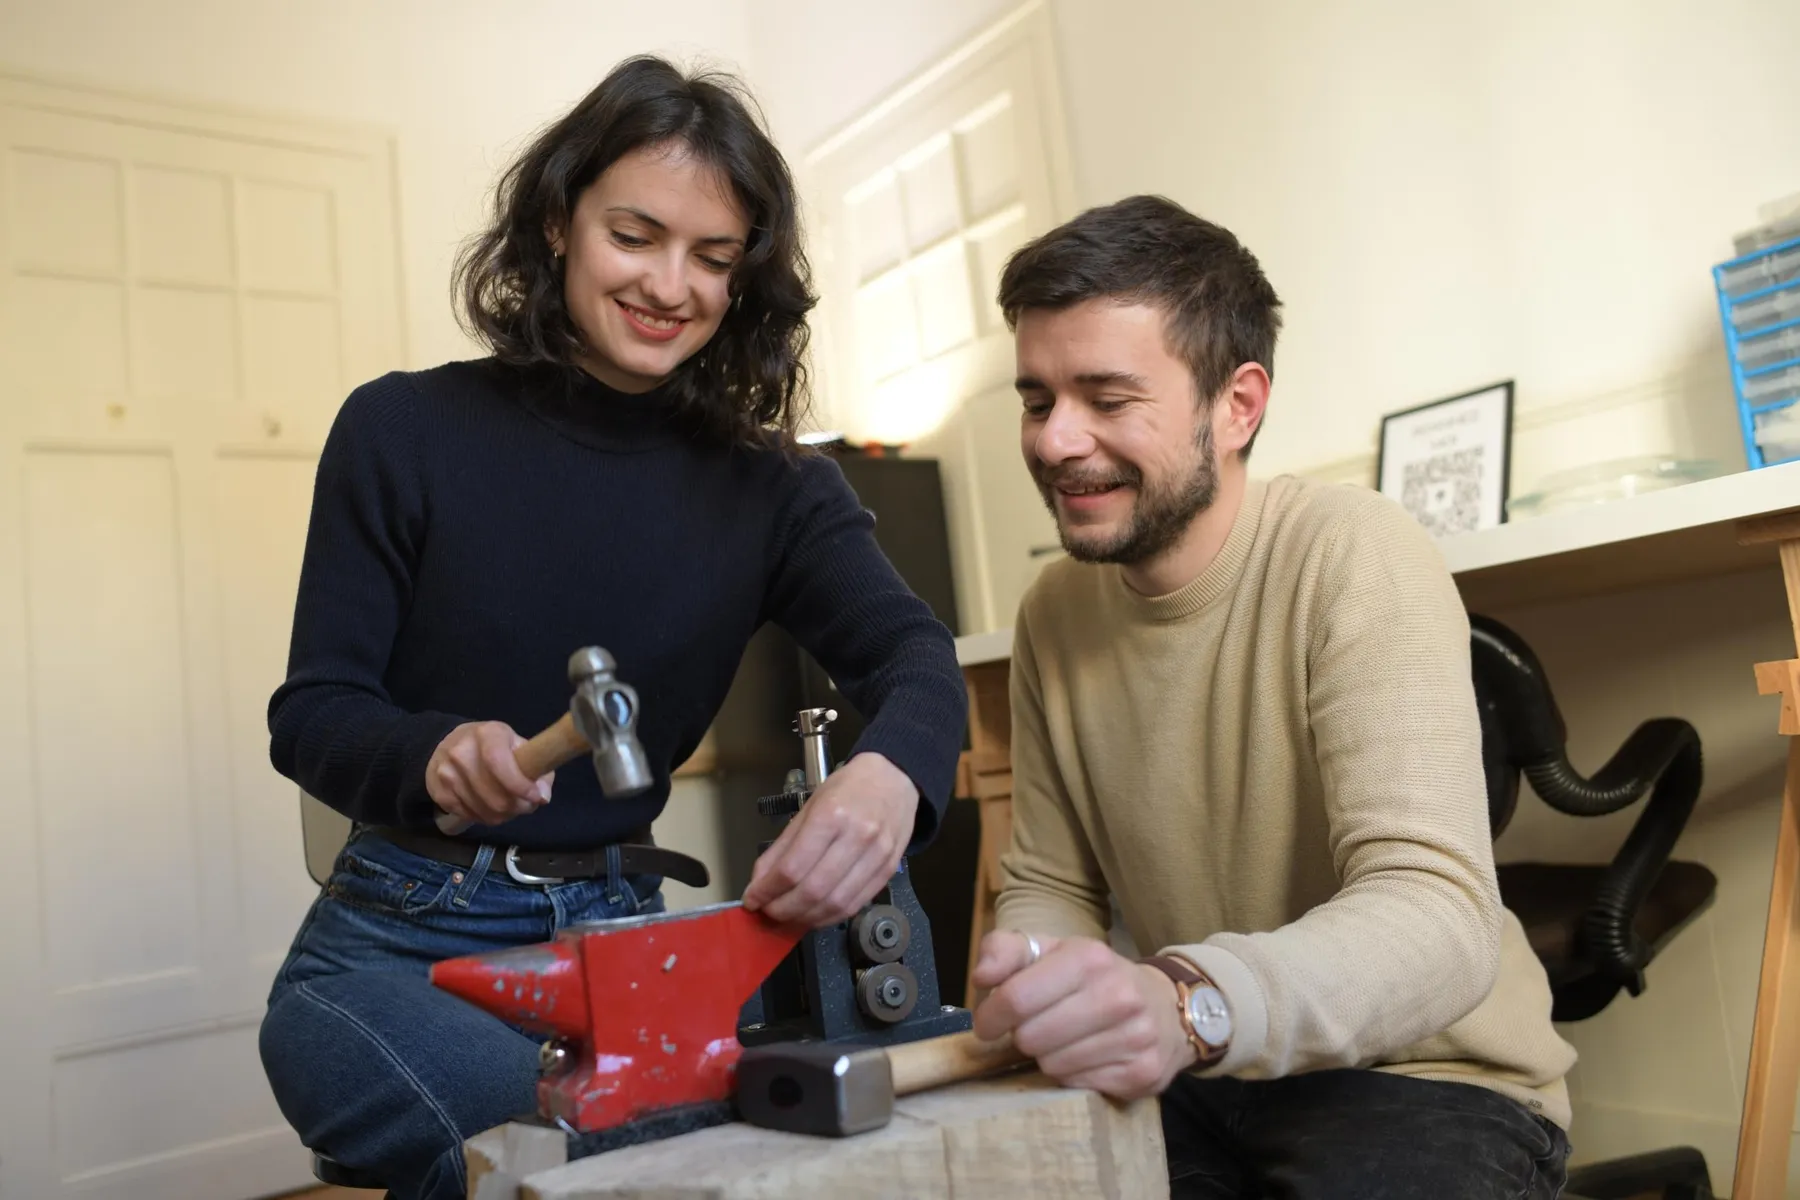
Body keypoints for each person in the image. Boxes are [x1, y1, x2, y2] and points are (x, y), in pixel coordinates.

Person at [258, 56, 966, 1200]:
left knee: (780, 1152)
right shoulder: (403, 429)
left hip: (623, 945)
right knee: (589, 1168)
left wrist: (890, 779)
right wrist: (428, 755)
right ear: (556, 223)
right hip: (396, 948)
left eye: (713, 257)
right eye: (634, 235)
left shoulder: (776, 490)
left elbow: (914, 658)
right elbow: (314, 714)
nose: (670, 284)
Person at [965, 194, 1578, 1198]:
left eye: (1108, 399)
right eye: (1037, 400)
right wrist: (1039, 976)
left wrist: (1185, 999)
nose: (1055, 442)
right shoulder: (1053, 613)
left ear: (1238, 405)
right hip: (1202, 1075)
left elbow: (1436, 913)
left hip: (1424, 1079)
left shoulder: (1354, 552)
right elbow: (1055, 885)